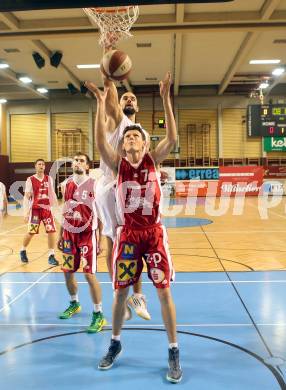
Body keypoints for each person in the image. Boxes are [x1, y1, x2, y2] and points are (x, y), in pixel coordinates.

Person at [87, 72, 182, 383]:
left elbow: (173, 137)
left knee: (164, 292)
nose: (130, 138)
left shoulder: (154, 161)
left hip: (153, 235)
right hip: (128, 235)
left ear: (144, 142)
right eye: (127, 136)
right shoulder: (117, 165)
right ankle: (115, 343)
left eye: (135, 136)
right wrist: (101, 104)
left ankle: (173, 350)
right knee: (119, 292)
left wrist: (165, 96)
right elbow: (101, 140)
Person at [94, 71, 150, 321]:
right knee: (112, 243)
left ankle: (137, 296)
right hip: (109, 186)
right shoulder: (117, 121)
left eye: (132, 98)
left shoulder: (142, 134)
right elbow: (109, 88)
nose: (128, 100)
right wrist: (108, 59)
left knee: (137, 242)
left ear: (138, 106)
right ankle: (119, 292)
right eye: (124, 97)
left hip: (133, 189)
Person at [57, 152, 107, 334]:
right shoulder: (67, 185)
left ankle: (98, 314)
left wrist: (100, 238)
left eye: (81, 161)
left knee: (89, 274)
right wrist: (61, 234)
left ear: (87, 166)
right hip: (69, 234)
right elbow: (65, 208)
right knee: (68, 272)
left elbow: (100, 213)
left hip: (87, 234)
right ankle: (74, 303)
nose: (77, 163)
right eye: (75, 160)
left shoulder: (95, 185)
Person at [20, 159, 59, 266]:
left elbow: (52, 194)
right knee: (31, 232)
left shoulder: (49, 179)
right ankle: (23, 250)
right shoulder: (30, 179)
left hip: (47, 210)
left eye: (43, 164)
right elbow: (27, 197)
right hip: (35, 210)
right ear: (35, 167)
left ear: (44, 167)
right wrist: (26, 213)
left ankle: (51, 255)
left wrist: (55, 209)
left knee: (51, 231)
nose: (41, 166)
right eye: (39, 164)